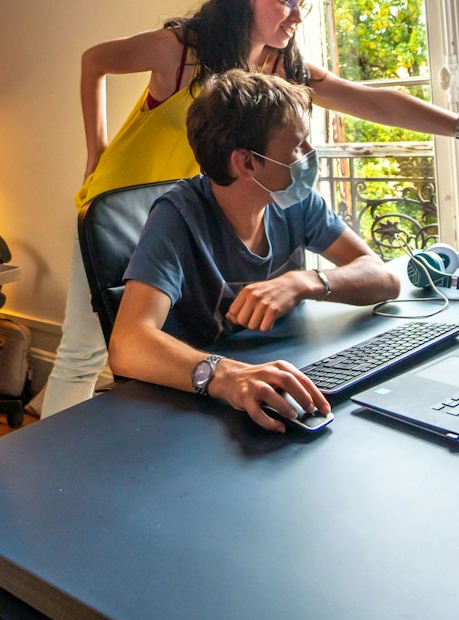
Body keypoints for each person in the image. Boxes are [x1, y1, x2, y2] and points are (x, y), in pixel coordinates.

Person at [40, 0, 459, 416]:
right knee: (84, 352)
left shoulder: (278, 67)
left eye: (302, 5)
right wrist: (97, 148)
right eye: (286, 0)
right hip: (118, 204)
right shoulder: (181, 49)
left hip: (201, 206)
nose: (296, 15)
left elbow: (371, 100)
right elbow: (95, 61)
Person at [107, 71, 400, 429]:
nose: (310, 155)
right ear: (245, 162)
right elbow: (127, 343)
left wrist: (303, 282)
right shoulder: (177, 217)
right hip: (202, 410)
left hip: (284, 372)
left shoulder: (296, 202)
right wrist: (225, 375)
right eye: (297, 146)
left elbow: (383, 277)